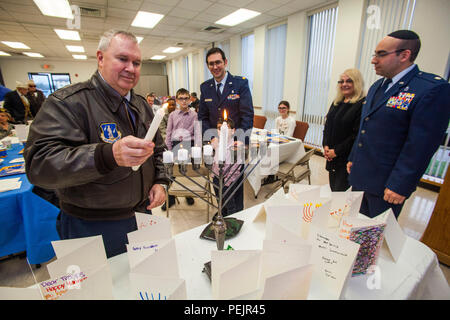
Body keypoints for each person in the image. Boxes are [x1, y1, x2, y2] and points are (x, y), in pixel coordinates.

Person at [23, 30, 169, 258]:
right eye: (122, 59)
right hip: (91, 226)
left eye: (137, 62)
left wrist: (161, 181)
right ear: (101, 58)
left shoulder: (140, 105)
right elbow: (39, 166)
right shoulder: (68, 103)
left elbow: (159, 151)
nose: (131, 68)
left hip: (142, 217)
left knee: (141, 287)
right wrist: (106, 155)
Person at [347, 30, 450, 219]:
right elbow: (366, 127)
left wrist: (400, 184)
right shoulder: (378, 87)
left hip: (387, 185)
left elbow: (421, 145)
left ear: (404, 55)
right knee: (353, 230)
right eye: (374, 54)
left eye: (381, 54)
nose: (373, 60)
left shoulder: (430, 89)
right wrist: (354, 157)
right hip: (361, 175)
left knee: (376, 240)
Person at [198, 47, 254, 214]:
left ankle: (236, 217)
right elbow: (202, 117)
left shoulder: (240, 83)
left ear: (225, 62)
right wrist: (211, 139)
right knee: (218, 184)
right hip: (215, 146)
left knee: (235, 188)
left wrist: (240, 140)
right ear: (208, 66)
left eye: (218, 62)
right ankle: (223, 213)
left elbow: (247, 115)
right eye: (211, 64)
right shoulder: (205, 87)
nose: (215, 67)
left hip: (235, 146)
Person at [323, 69, 365, 191]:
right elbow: (327, 126)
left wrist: (336, 151)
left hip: (346, 158)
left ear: (357, 82)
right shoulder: (337, 102)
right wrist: (325, 145)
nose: (344, 84)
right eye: (341, 81)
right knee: (333, 189)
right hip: (331, 156)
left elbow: (356, 135)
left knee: (339, 193)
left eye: (349, 81)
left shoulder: (361, 104)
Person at [162, 88, 197, 210]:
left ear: (189, 99)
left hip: (189, 144)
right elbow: (168, 132)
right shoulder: (172, 115)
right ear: (177, 100)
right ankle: (170, 198)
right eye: (181, 98)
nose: (184, 101)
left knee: (186, 171)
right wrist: (169, 149)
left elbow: (197, 134)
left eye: (186, 98)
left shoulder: (194, 115)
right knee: (171, 173)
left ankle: (187, 193)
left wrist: (196, 150)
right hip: (175, 144)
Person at [211, 118, 243, 217]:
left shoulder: (236, 146)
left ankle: (231, 219)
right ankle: (222, 214)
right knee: (219, 199)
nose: (222, 131)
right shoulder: (216, 143)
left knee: (229, 202)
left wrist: (228, 182)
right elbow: (214, 158)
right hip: (216, 176)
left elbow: (236, 167)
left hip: (229, 179)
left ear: (233, 131)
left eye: (226, 128)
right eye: (219, 128)